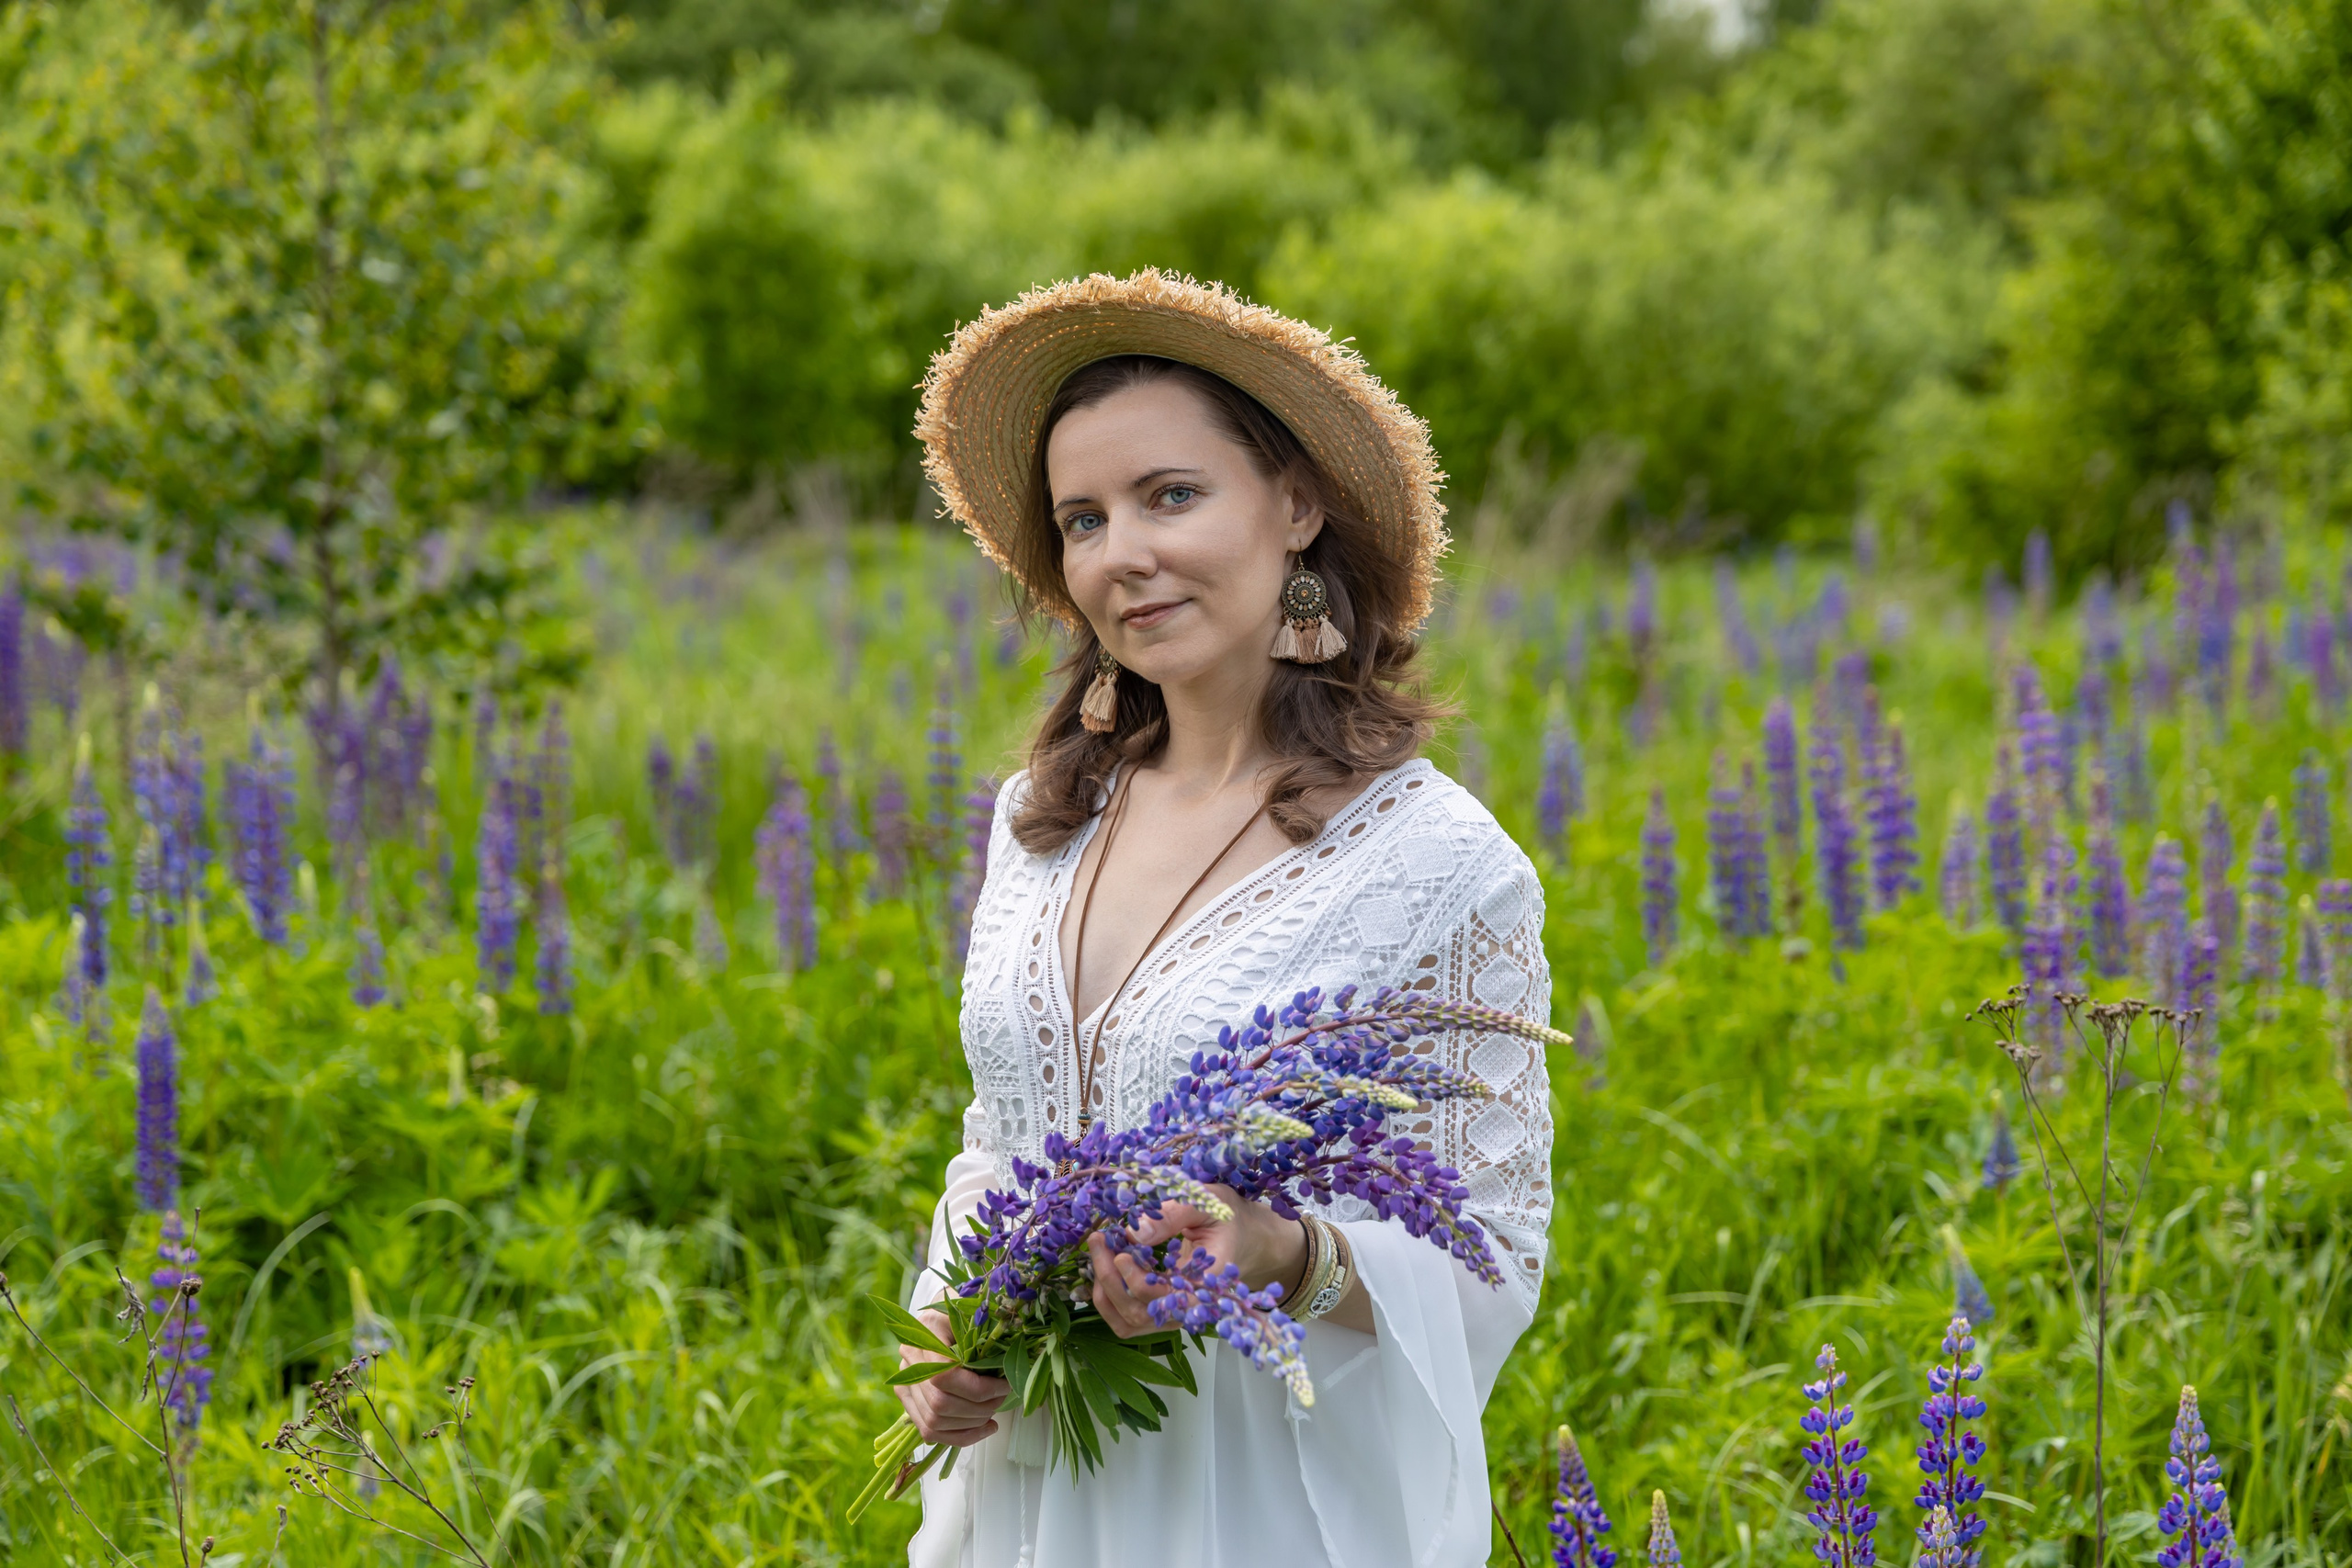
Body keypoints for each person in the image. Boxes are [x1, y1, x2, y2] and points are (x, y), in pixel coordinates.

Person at [901, 270, 1554, 1567]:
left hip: (1262, 1489)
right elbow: (1005, 1129)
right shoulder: (1041, 818)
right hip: (1038, 1478)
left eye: (1172, 496)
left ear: (1297, 506)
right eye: (1081, 520)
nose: (1120, 553)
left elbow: (1493, 1246)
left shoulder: (1439, 862)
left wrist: (1279, 1254)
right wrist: (947, 1333)